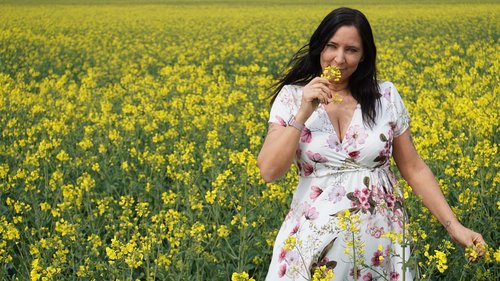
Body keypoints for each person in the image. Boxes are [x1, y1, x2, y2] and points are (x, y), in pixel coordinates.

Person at [257, 7, 486, 280]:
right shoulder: (293, 98)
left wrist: (454, 226)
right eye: (331, 46)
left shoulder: (384, 96)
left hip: (380, 246)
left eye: (351, 50)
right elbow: (269, 171)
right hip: (311, 241)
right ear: (319, 47)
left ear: (364, 54)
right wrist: (304, 111)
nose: (339, 59)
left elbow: (413, 168)